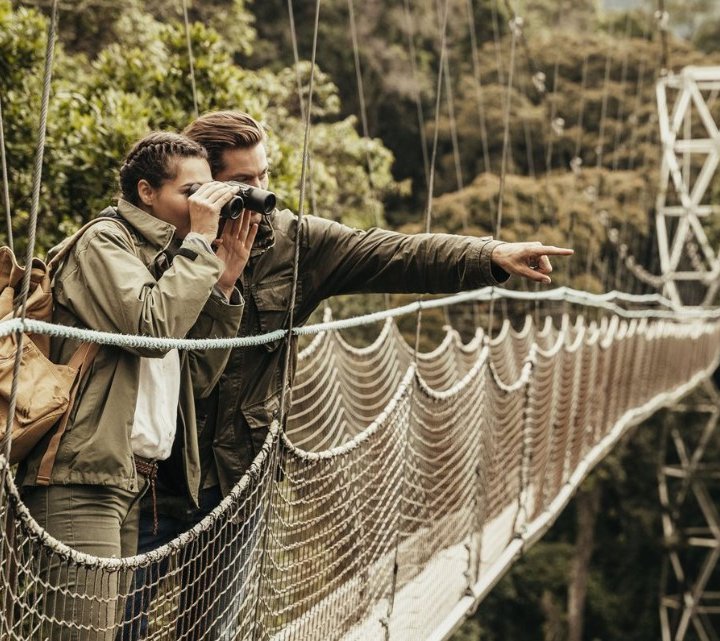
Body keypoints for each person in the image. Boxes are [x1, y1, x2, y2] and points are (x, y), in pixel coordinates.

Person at [125, 110, 573, 639]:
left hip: (240, 478)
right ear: (201, 185)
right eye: (242, 182)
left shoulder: (295, 246)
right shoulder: (149, 244)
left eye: (264, 177)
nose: (259, 193)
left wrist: (492, 255)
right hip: (154, 478)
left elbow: (397, 253)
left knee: (211, 632)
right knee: (118, 626)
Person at [16, 131, 256, 641]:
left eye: (208, 192)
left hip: (133, 480)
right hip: (81, 477)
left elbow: (194, 376)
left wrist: (224, 287)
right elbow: (149, 330)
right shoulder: (103, 242)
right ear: (146, 192)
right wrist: (199, 246)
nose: (201, 207)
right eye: (189, 193)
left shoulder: (170, 260)